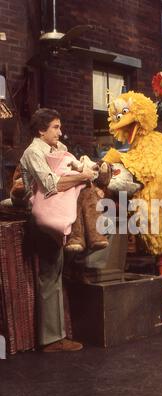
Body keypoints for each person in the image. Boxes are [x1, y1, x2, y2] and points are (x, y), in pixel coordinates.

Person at [20, 108, 96, 352]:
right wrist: (81, 176)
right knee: (50, 274)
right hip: (44, 216)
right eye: (55, 127)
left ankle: (56, 336)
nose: (60, 132)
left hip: (59, 214)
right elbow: (50, 185)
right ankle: (51, 340)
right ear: (41, 130)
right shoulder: (33, 152)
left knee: (57, 272)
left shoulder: (57, 151)